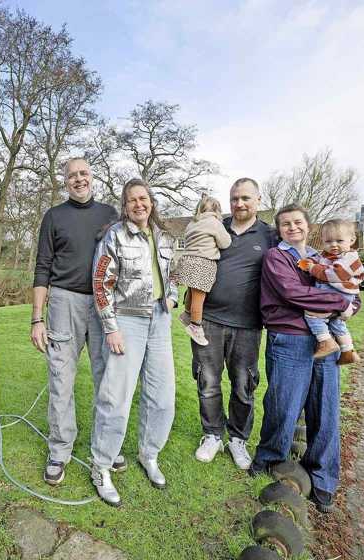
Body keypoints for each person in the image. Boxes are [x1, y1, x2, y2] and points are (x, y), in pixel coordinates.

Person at [250, 203, 360, 513]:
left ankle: (323, 478)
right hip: (290, 340)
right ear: (279, 229)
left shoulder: (322, 256)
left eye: (297, 222)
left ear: (308, 225)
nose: (292, 227)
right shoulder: (276, 257)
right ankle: (270, 458)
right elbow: (291, 293)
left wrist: (353, 305)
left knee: (324, 410)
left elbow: (353, 286)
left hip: (326, 340)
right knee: (282, 405)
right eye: (285, 224)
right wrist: (340, 302)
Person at [31, 157, 121, 486]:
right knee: (61, 379)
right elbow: (42, 266)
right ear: (65, 181)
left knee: (106, 377)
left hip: (102, 304)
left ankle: (107, 444)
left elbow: (123, 259)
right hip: (63, 302)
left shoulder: (110, 215)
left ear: (92, 177)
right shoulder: (54, 216)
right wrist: (37, 319)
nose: (79, 179)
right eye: (72, 175)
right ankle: (60, 450)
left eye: (83, 173)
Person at [89, 178, 178, 507]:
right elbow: (101, 282)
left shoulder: (165, 236)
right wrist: (111, 328)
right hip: (126, 320)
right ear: (124, 206)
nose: (139, 204)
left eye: (143, 198)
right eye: (131, 200)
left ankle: (148, 453)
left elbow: (172, 275)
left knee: (163, 397)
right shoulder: (115, 235)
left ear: (151, 202)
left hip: (160, 321)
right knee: (116, 398)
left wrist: (172, 297)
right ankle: (101, 465)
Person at [191, 178, 276, 470]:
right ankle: (212, 434)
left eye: (245, 198)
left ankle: (238, 439)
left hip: (248, 325)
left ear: (258, 200)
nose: (239, 204)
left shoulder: (269, 235)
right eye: (235, 198)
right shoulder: (216, 226)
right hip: (209, 320)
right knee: (207, 381)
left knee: (244, 384)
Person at [297, 219, 364, 364]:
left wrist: (312, 268)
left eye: (339, 240)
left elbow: (336, 274)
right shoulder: (328, 255)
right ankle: (348, 350)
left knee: (312, 314)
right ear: (322, 241)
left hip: (339, 293)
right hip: (336, 292)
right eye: (328, 241)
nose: (333, 245)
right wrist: (309, 261)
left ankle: (326, 341)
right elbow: (318, 259)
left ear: (352, 240)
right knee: (336, 322)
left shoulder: (350, 258)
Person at [172, 193, 231, 346]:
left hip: (186, 261)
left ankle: (186, 314)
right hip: (202, 262)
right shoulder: (215, 223)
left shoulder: (192, 223)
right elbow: (225, 243)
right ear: (217, 210)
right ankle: (195, 326)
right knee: (200, 297)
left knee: (191, 291)